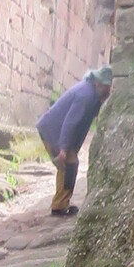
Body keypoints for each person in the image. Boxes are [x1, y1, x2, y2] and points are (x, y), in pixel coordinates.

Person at [38, 64, 115, 215]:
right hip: (53, 131)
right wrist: (63, 148)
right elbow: (70, 123)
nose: (108, 89)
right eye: (106, 86)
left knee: (67, 166)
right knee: (69, 165)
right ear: (98, 82)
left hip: (54, 130)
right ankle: (59, 206)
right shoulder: (85, 96)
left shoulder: (92, 93)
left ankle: (61, 203)